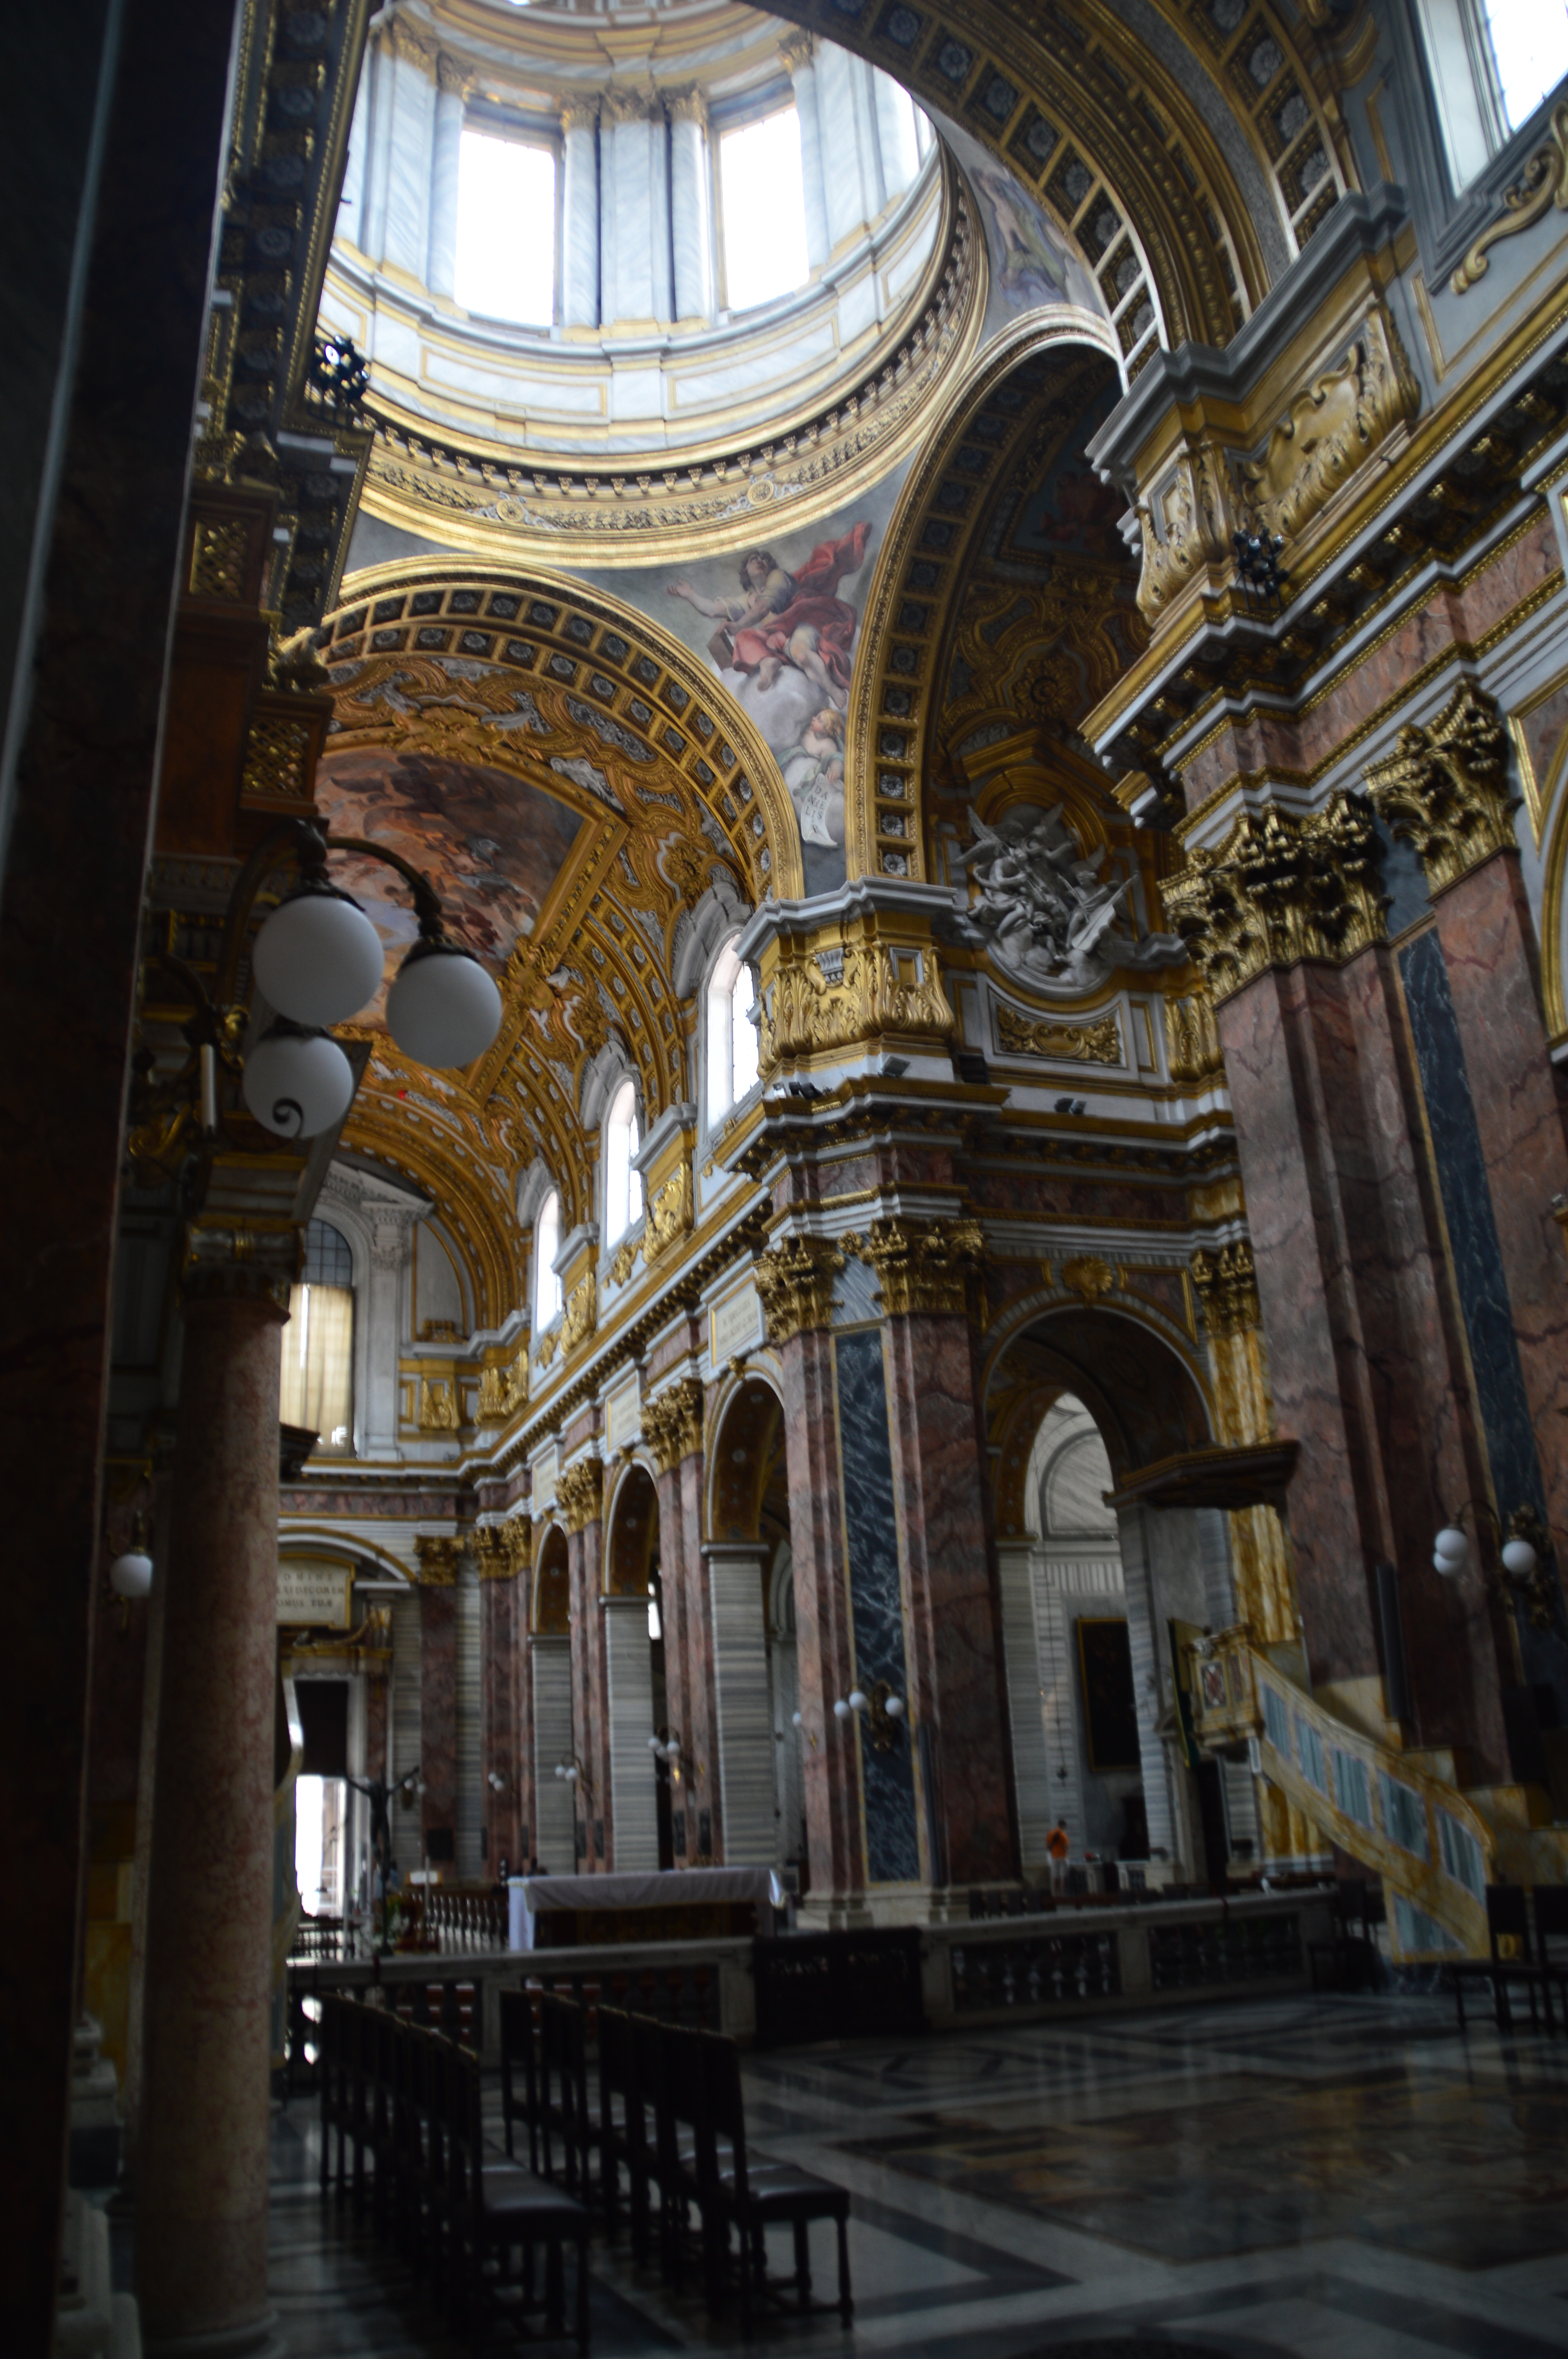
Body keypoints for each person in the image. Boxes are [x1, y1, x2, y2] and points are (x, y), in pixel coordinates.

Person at [666, 523, 871, 709]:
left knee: (799, 651)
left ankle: (831, 689)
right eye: (754, 559)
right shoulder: (748, 599)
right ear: (746, 570)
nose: (760, 561)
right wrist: (690, 595)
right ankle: (769, 664)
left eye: (764, 559)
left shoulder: (778, 577)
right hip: (777, 637)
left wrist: (736, 626)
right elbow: (712, 609)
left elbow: (764, 608)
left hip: (801, 623)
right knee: (746, 638)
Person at [1047, 1816, 1071, 1896]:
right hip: (1063, 1856)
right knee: (1063, 1876)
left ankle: (1056, 1893)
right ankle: (1063, 1893)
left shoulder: (1050, 1834)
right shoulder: (1063, 1835)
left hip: (1054, 1856)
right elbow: (1067, 1847)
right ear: (1063, 1826)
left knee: (1055, 1876)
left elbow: (1048, 1846)